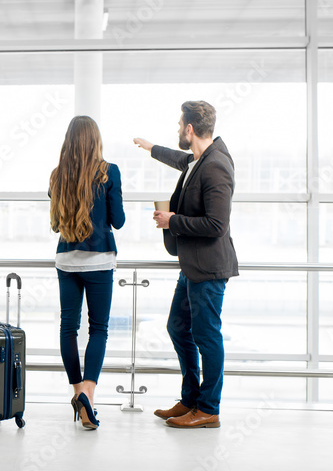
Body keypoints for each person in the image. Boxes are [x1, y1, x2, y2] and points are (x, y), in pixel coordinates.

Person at [133, 100, 238, 428]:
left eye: (180, 126)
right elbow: (178, 158)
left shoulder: (215, 165)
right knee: (178, 327)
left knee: (207, 337)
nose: (179, 130)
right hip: (193, 267)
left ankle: (208, 409)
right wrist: (150, 147)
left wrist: (173, 220)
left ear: (189, 128)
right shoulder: (198, 160)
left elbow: (216, 225)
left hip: (208, 269)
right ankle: (191, 399)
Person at [50, 115, 125, 430]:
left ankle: (77, 390)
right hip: (98, 262)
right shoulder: (109, 173)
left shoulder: (57, 175)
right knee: (99, 329)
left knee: (69, 328)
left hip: (67, 260)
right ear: (96, 140)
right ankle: (88, 395)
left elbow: (56, 223)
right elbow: (118, 221)